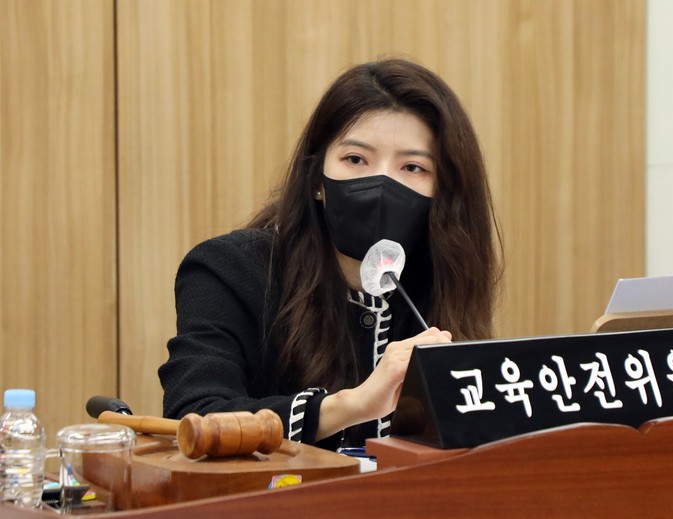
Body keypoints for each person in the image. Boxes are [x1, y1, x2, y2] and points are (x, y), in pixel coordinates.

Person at [158, 58, 503, 450]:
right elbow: (196, 417)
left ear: (444, 194)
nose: (381, 183)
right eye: (355, 159)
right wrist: (350, 405)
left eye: (412, 167)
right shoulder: (228, 270)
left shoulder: (442, 278)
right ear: (316, 180)